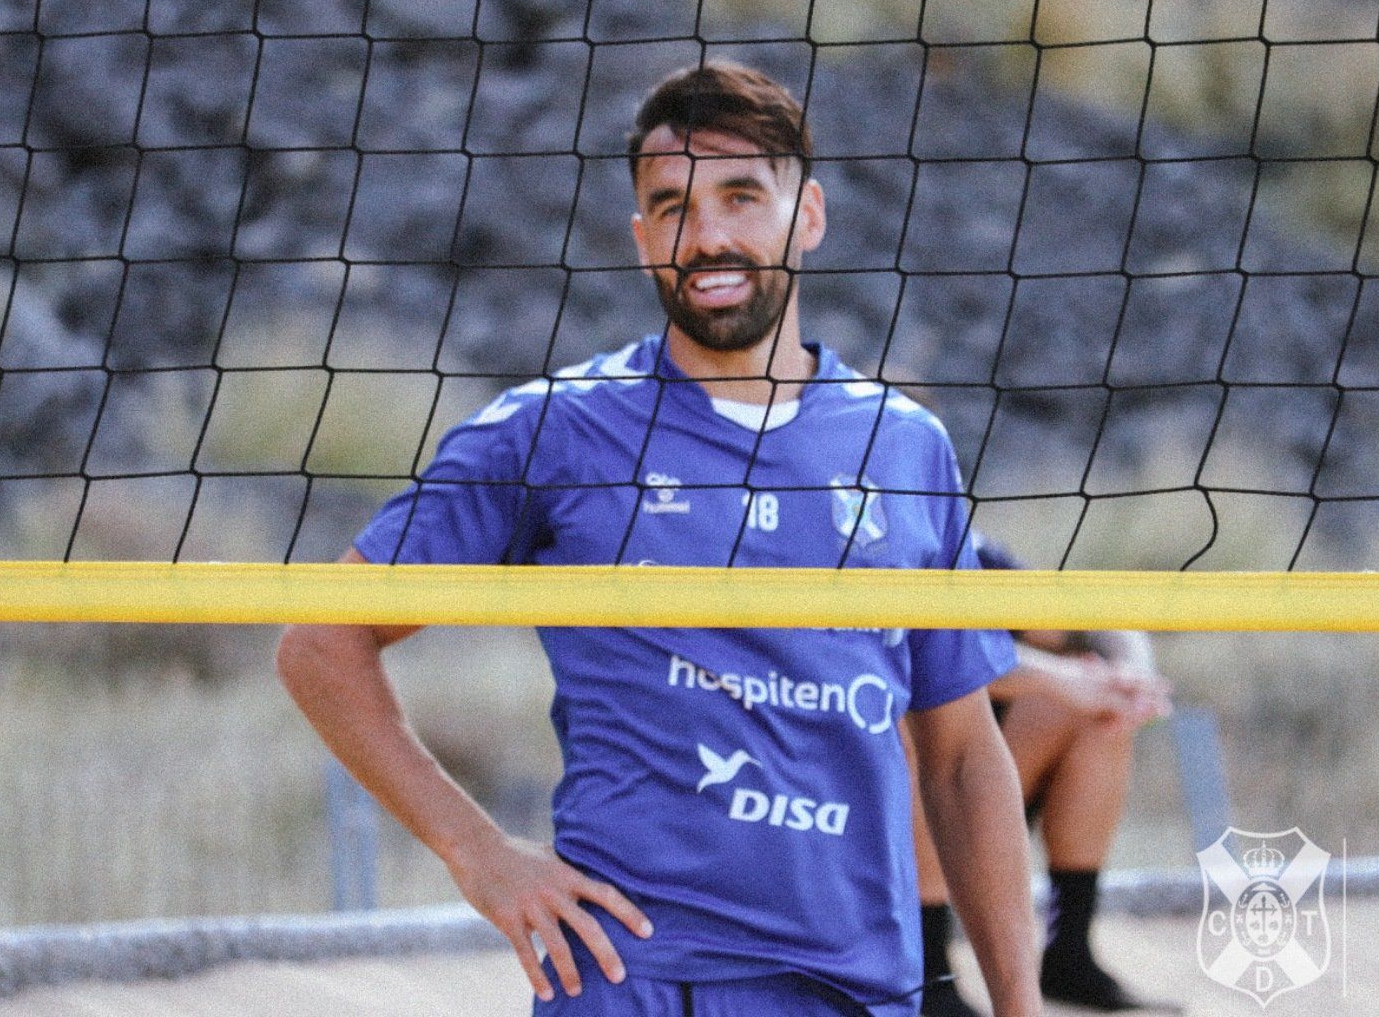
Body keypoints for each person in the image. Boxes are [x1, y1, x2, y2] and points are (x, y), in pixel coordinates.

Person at [275, 61, 1043, 1017]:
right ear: (643, 241)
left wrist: (1019, 1006)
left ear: (807, 215)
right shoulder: (557, 428)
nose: (708, 234)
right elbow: (320, 642)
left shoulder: (905, 446)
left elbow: (965, 758)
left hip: (854, 986)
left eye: (740, 196)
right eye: (672, 205)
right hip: (638, 977)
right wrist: (480, 856)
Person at [910, 537, 1175, 1016]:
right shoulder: (881, 540)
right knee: (925, 717)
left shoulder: (967, 546)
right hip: (870, 811)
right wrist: (1060, 678)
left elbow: (1100, 618)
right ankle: (928, 975)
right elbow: (924, 656)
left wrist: (1131, 679)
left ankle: (1069, 952)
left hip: (982, 795)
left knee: (1099, 715)